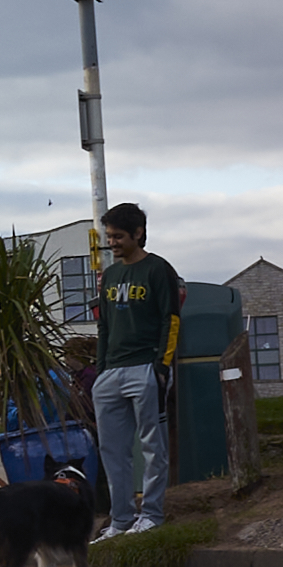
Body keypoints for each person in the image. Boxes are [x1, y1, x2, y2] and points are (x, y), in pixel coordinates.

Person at [90, 202, 182, 539]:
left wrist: (161, 367)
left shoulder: (159, 269)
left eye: (117, 236)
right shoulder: (111, 275)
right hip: (111, 372)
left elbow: (170, 320)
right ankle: (121, 519)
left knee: (152, 445)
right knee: (112, 450)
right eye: (109, 236)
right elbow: (104, 326)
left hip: (146, 369)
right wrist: (101, 369)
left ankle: (153, 514)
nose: (112, 242)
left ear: (138, 234)